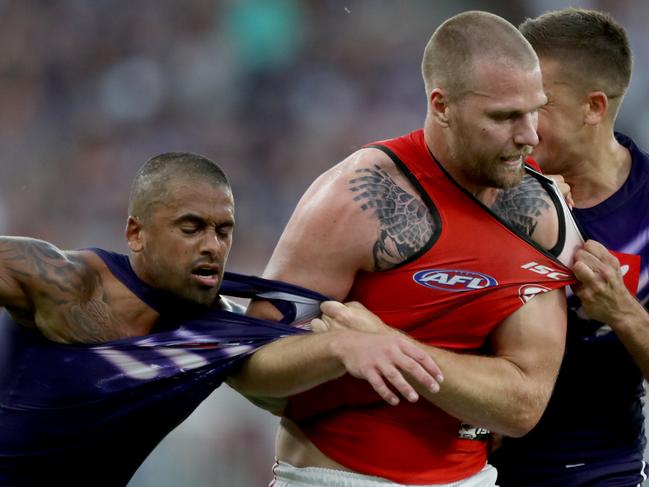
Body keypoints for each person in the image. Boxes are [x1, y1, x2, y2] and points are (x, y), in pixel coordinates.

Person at [238, 10, 581, 487]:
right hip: (333, 479)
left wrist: (392, 348)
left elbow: (523, 403)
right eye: (504, 116)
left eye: (534, 109)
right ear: (441, 105)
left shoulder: (538, 213)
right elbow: (248, 367)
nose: (529, 135)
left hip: (470, 480)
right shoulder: (357, 198)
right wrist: (340, 348)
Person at [0, 152, 442, 486]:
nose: (212, 245)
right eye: (191, 228)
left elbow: (275, 385)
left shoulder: (221, 333)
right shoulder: (64, 282)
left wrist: (346, 344)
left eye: (223, 230)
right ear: (136, 233)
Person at [488, 8, 649, 486]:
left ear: (594, 107)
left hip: (604, 471)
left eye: (538, 106)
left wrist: (623, 313)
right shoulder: (486, 187)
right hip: (475, 470)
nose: (520, 128)